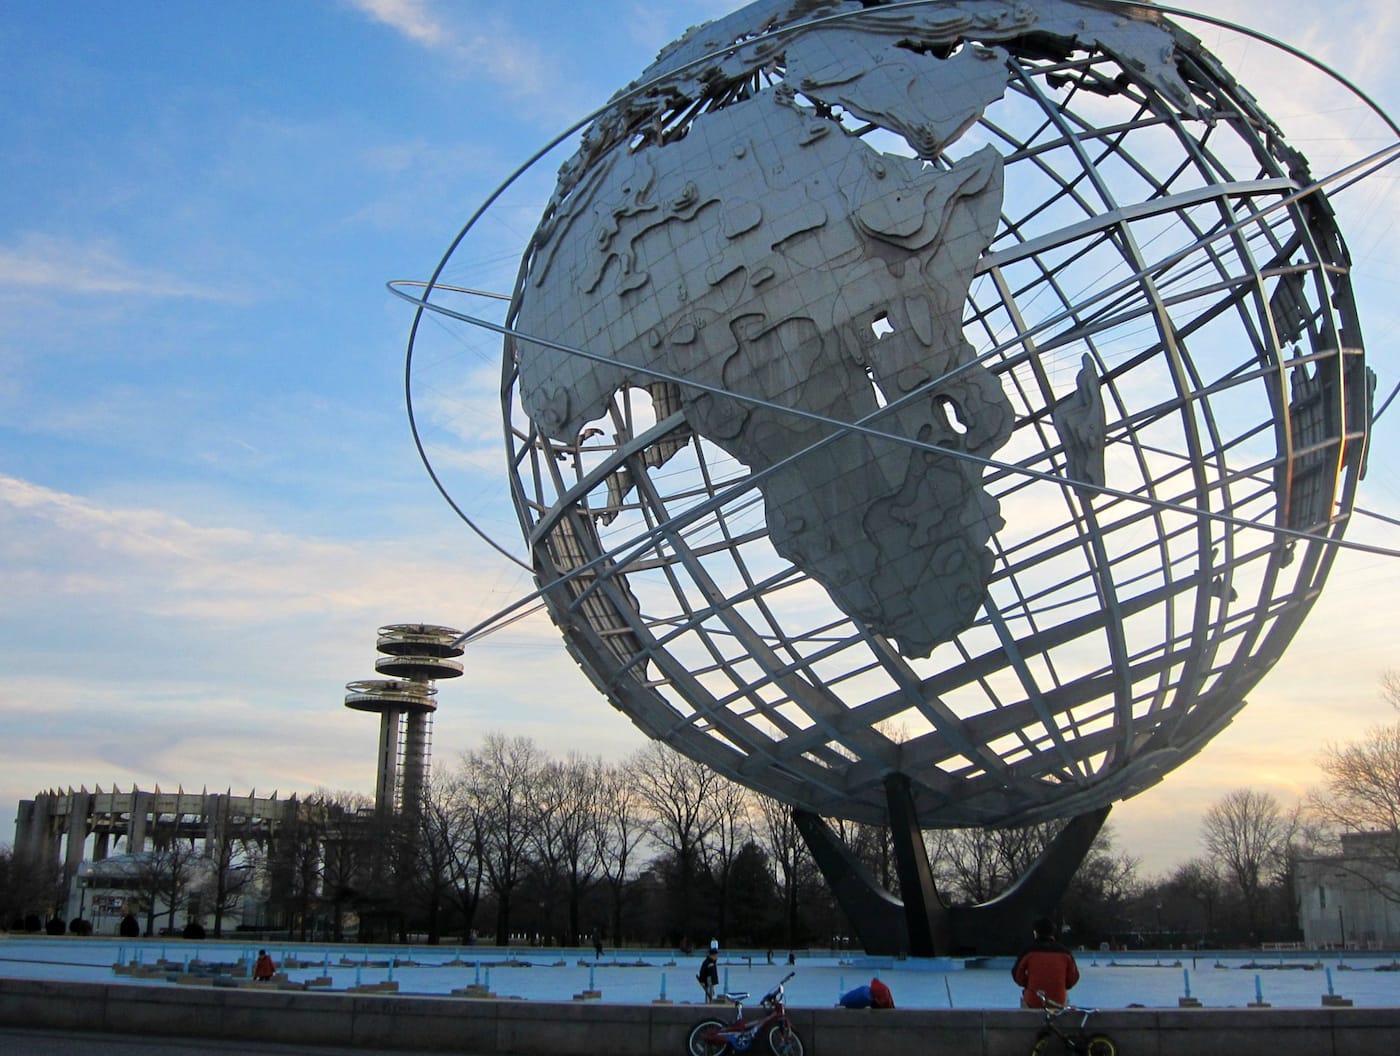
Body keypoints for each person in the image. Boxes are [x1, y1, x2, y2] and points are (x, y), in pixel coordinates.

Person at [1011, 918, 1079, 1008]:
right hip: (1058, 1000)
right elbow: (1073, 978)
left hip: (1034, 999)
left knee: (1026, 996)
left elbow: (1017, 975)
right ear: (1053, 933)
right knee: (1064, 998)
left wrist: (1029, 983)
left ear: (1035, 933)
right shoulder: (1065, 953)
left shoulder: (1029, 952)